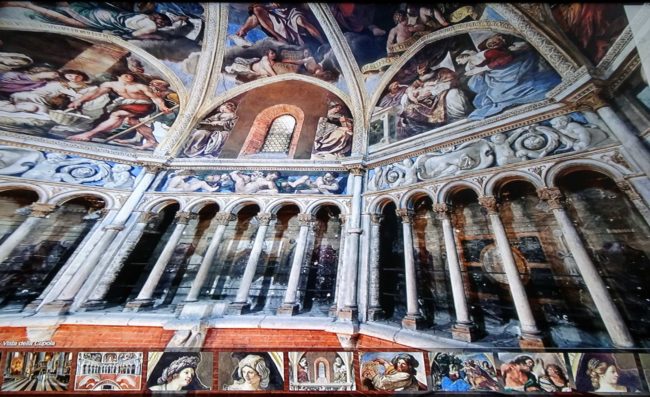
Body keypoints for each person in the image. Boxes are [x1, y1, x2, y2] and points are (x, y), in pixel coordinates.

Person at [465, 33, 561, 120]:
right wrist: (481, 69)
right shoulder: (486, 54)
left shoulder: (509, 49)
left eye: (499, 38)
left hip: (520, 71)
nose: (496, 42)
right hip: (499, 76)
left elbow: (508, 57)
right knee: (496, 94)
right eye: (490, 43)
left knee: (498, 94)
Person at [66, 72, 171, 149]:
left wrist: (162, 106)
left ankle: (88, 135)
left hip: (144, 105)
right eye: (126, 75)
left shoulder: (139, 86)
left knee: (117, 114)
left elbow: (154, 97)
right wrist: (79, 101)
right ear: (118, 76)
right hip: (128, 104)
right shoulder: (111, 85)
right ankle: (151, 141)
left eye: (131, 76)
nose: (129, 77)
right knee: (132, 122)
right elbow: (95, 93)